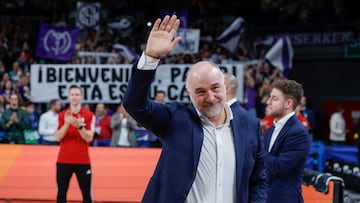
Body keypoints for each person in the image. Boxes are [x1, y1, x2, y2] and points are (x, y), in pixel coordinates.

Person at [123, 15, 267, 203]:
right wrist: (150, 58)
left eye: (215, 88)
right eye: (200, 91)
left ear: (225, 86)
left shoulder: (250, 125)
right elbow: (134, 104)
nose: (210, 97)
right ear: (188, 93)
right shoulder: (174, 119)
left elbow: (258, 180)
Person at [263, 79, 310, 203]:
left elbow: (279, 167)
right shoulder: (270, 130)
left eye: (274, 98)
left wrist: (255, 150)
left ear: (288, 103)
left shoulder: (298, 132)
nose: (268, 102)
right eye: (269, 98)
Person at [54, 85, 95, 203]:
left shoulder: (89, 115)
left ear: (81, 97)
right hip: (63, 160)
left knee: (86, 195)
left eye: (77, 95)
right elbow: (57, 137)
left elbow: (89, 138)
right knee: (61, 194)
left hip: (82, 160)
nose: (74, 97)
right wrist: (67, 124)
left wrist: (79, 127)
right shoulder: (62, 115)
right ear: (68, 97)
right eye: (72, 95)